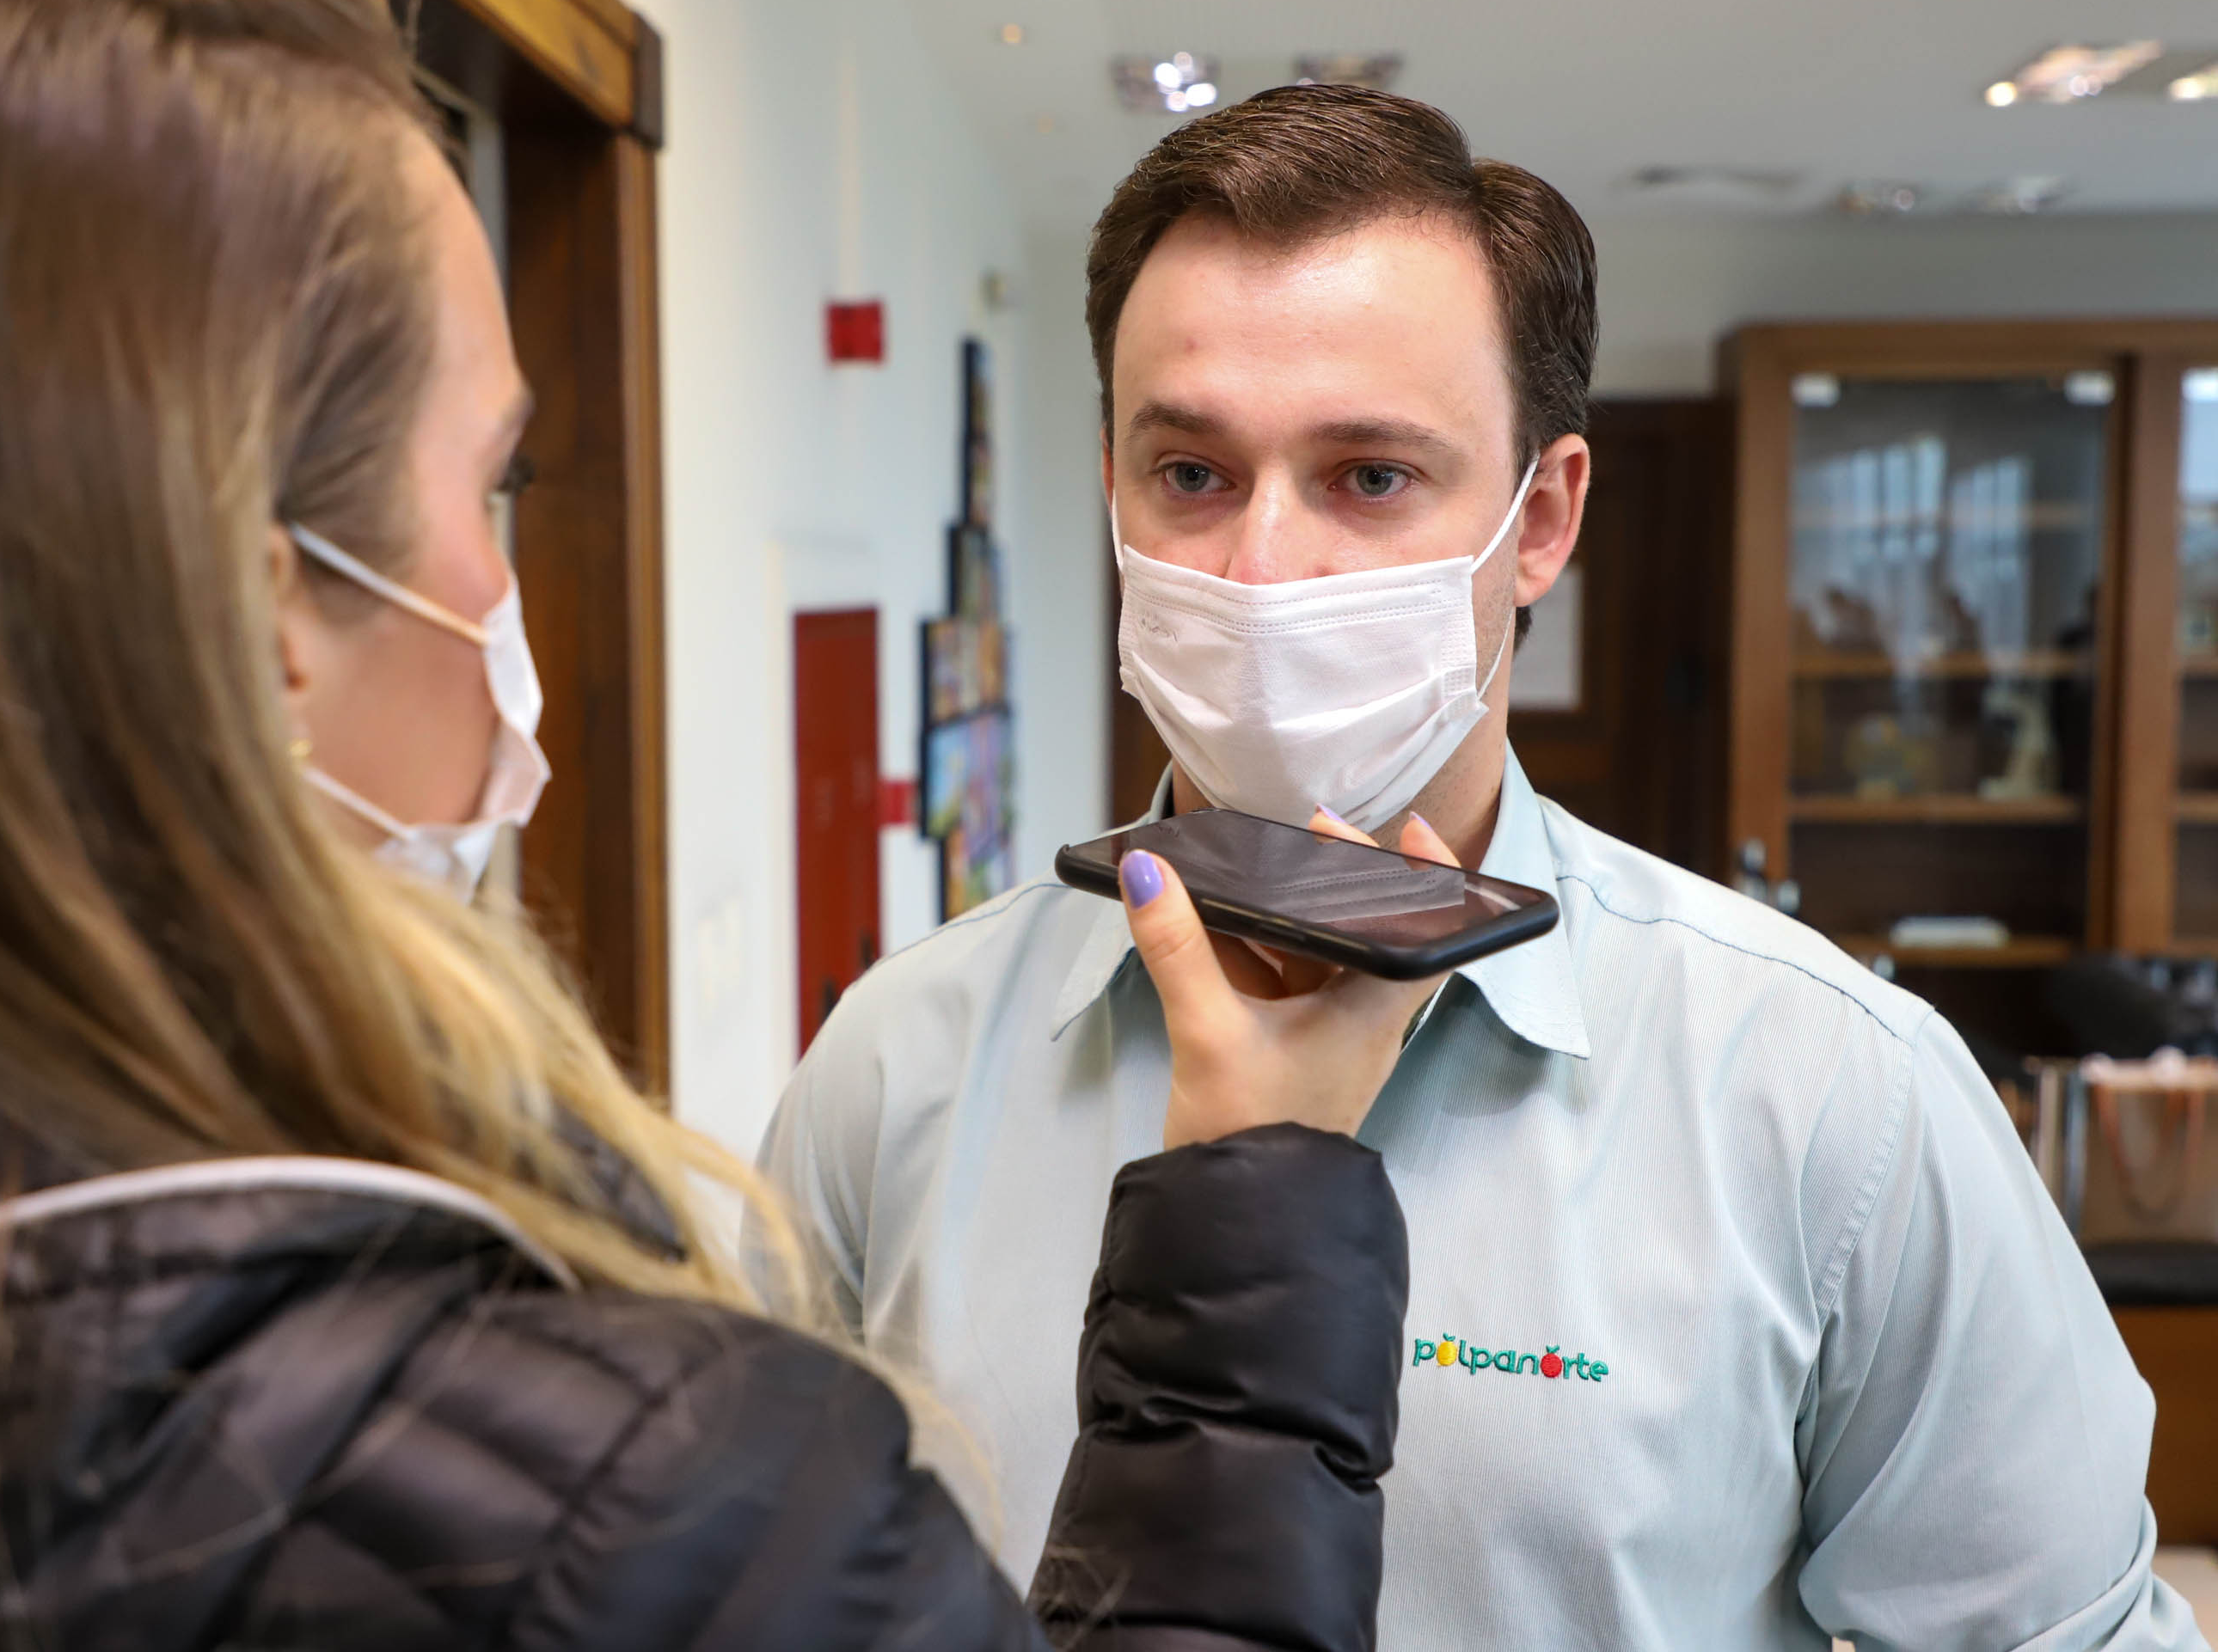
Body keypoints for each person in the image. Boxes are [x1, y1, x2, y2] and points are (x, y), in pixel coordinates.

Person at [0, 0, 1433, 1645]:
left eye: (1370, 476)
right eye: (490, 481)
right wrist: (1261, 1267)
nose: (1265, 572)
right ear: (255, 617)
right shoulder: (667, 1444)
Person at [762, 85, 2210, 1649]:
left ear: (1541, 520)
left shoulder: (1826, 1096)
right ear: (1110, 481)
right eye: (1191, 473)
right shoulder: (901, 1066)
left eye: (1371, 477)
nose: (1264, 569)